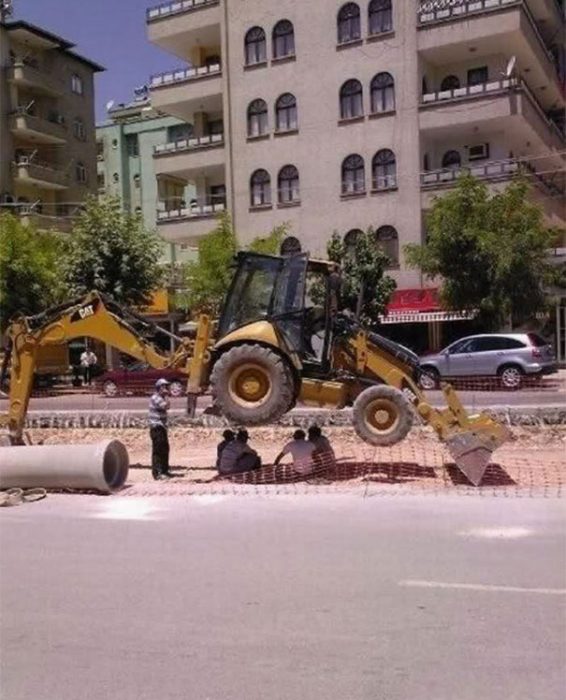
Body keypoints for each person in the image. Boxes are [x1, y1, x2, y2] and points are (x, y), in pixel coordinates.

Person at [149, 378, 173, 480]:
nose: (166, 388)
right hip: (156, 428)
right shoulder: (155, 398)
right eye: (164, 387)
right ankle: (158, 473)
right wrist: (167, 395)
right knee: (158, 451)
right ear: (159, 388)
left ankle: (165, 470)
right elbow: (166, 406)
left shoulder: (161, 398)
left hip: (162, 427)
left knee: (165, 449)